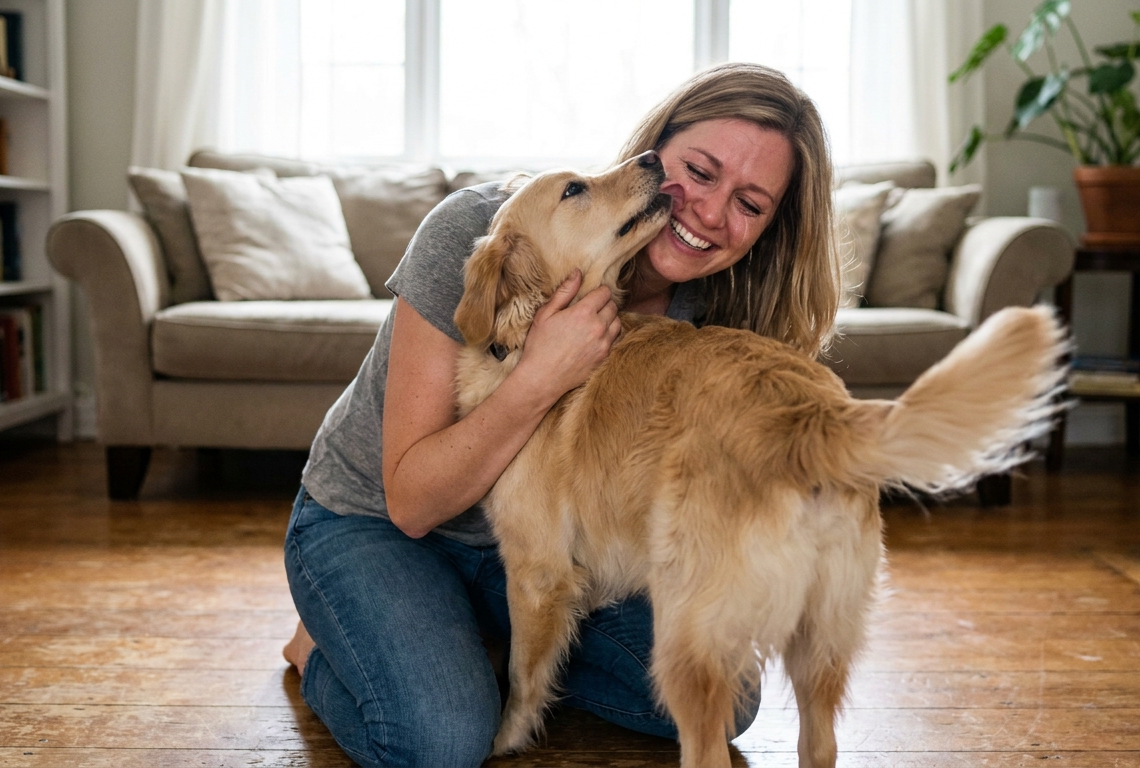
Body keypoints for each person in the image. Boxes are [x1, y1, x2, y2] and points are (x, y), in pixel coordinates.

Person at [282, 62, 841, 767]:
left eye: (749, 204)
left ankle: (478, 641)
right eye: (699, 171)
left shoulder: (715, 304)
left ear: (770, 227)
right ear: (656, 146)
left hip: (553, 556)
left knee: (725, 702)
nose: (707, 212)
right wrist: (540, 376)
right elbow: (411, 503)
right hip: (378, 523)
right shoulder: (484, 235)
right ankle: (329, 645)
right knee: (442, 741)